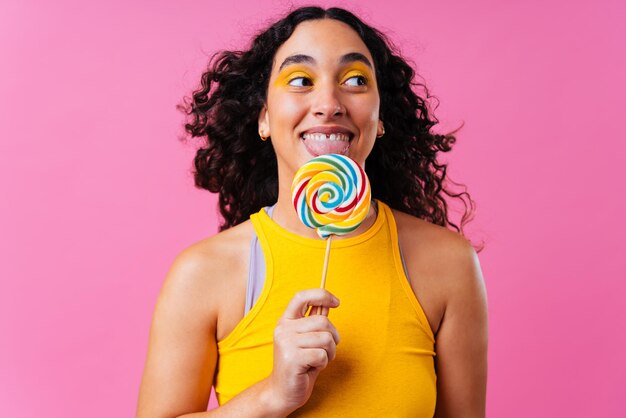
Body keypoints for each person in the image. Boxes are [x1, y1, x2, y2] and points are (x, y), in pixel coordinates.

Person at [136, 6, 488, 418]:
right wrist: (271, 396)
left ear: (381, 120)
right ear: (264, 118)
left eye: (355, 80)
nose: (328, 103)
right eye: (300, 81)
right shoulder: (204, 273)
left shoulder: (448, 264)